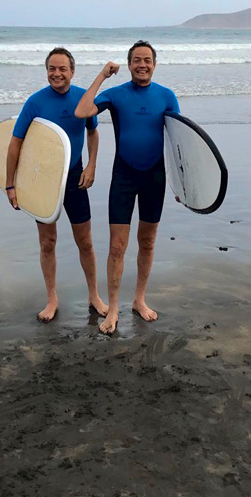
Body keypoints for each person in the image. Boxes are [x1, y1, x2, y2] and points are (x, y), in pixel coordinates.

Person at [75, 40, 179, 334]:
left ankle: (140, 300)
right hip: (124, 176)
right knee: (117, 246)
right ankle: (113, 308)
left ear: (154, 64)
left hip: (154, 177)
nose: (142, 65)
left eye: (147, 60)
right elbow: (82, 111)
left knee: (147, 242)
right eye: (136, 60)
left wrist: (183, 184)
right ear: (129, 64)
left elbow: (178, 143)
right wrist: (102, 75)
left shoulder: (167, 97)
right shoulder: (117, 94)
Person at [6, 47, 108, 323]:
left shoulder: (83, 99)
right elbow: (15, 143)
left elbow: (93, 131)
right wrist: (10, 184)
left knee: (85, 242)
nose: (57, 73)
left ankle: (94, 296)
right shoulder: (35, 102)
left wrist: (91, 165)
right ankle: (52, 299)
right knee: (47, 242)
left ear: (72, 71)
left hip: (75, 176)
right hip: (44, 181)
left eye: (62, 68)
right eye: (52, 68)